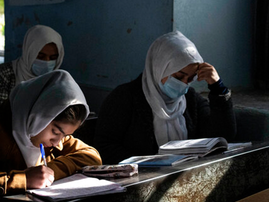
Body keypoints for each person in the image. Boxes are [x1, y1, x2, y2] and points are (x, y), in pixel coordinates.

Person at [0, 70, 101, 201]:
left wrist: (50, 172)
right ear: (39, 115)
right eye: (55, 132)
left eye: (65, 135)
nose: (57, 142)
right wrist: (24, 179)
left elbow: (91, 156)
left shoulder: (54, 136)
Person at [93, 31, 236, 165]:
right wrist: (146, 166)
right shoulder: (124, 97)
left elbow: (222, 137)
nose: (184, 83)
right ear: (159, 68)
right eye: (179, 76)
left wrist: (218, 88)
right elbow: (105, 146)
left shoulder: (190, 99)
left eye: (191, 78)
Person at [0, 25, 64, 113]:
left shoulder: (58, 81)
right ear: (29, 52)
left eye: (53, 58)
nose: (46, 62)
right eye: (40, 56)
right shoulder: (4, 75)